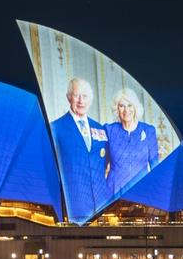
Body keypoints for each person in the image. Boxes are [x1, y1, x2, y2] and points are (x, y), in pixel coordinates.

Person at [51, 78, 110, 222]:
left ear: (91, 99)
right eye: (77, 95)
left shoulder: (100, 128)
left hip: (102, 208)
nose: (81, 101)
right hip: (74, 208)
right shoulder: (56, 128)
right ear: (68, 97)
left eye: (85, 96)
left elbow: (106, 163)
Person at [105, 88, 159, 194]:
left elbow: (155, 165)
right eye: (122, 106)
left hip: (142, 190)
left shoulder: (148, 131)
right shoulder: (109, 130)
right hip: (114, 191)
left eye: (130, 105)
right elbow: (101, 164)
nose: (126, 110)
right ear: (117, 109)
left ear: (135, 107)